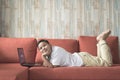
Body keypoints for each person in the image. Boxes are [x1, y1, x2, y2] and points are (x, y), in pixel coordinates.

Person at [37, 29, 112, 68]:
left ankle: (102, 40)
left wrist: (43, 57)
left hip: (83, 60)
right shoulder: (50, 54)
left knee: (107, 63)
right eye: (40, 48)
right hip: (82, 57)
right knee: (100, 60)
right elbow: (46, 64)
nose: (43, 48)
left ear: (50, 45)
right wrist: (46, 59)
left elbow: (51, 66)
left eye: (44, 45)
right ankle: (99, 43)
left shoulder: (56, 51)